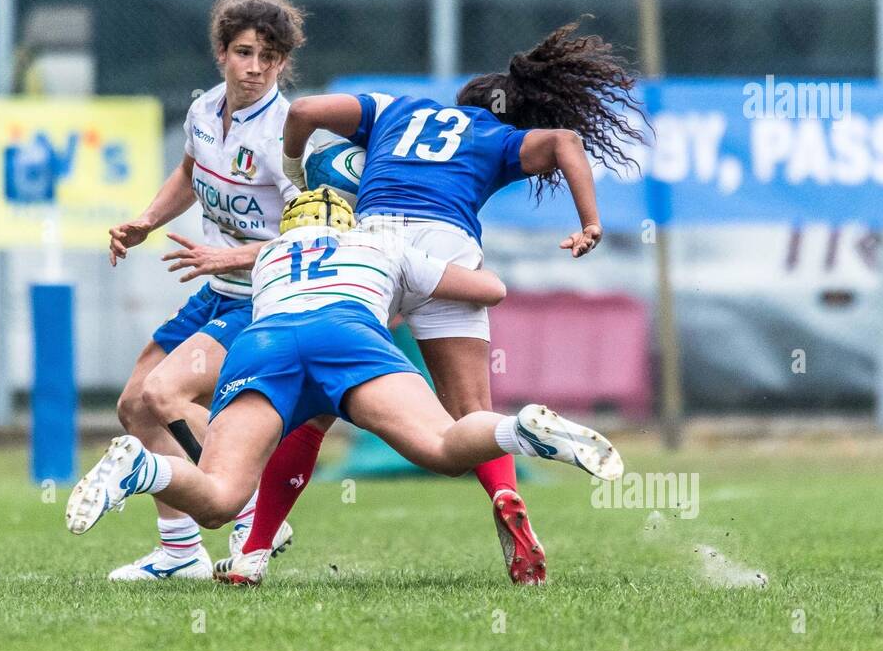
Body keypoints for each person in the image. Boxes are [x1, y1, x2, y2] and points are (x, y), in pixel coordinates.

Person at [247, 20, 644, 585]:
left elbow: (305, 110)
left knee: (313, 400)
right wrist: (590, 223)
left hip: (375, 240)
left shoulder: (394, 108)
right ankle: (507, 493)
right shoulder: (499, 137)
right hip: (448, 252)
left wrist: (293, 175)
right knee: (471, 411)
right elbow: (567, 143)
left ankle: (254, 551)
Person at [66, 188, 623, 586]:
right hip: (346, 336)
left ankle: (146, 469)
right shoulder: (381, 246)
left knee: (219, 499)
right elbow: (490, 289)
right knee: (443, 446)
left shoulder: (268, 258)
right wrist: (406, 289)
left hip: (266, 344)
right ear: (349, 223)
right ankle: (518, 429)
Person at [86, 0, 318, 582]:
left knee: (166, 395)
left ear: (283, 63)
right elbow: (191, 171)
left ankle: (248, 506)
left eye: (270, 58)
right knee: (136, 406)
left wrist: (231, 255)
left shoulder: (286, 135)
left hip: (263, 299)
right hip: (219, 290)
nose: (256, 68)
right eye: (245, 52)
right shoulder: (203, 110)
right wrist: (146, 221)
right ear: (221, 51)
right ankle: (180, 554)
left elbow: (310, 239)